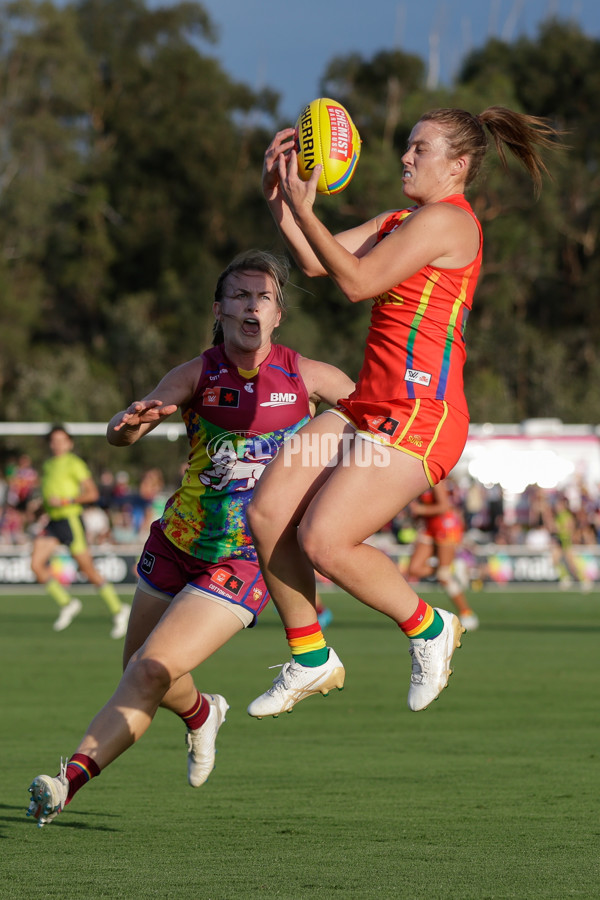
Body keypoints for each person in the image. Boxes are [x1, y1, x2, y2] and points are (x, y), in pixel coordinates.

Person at [246, 105, 561, 717]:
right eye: (408, 147)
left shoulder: (449, 222)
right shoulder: (401, 218)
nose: (405, 157)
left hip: (422, 414)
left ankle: (429, 626)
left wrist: (305, 208)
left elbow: (358, 282)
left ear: (458, 166)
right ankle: (311, 659)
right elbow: (316, 260)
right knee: (266, 508)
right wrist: (281, 197)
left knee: (325, 540)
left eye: (421, 148)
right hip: (370, 405)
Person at [26, 250, 354, 827]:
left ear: (278, 315)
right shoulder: (198, 372)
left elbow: (379, 424)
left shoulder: (307, 376)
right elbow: (125, 429)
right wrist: (125, 426)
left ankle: (65, 781)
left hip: (245, 558)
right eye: (241, 296)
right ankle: (203, 713)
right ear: (220, 309)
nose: (253, 305)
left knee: (149, 670)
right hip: (175, 542)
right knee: (140, 669)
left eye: (266, 297)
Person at [30, 426, 131, 638]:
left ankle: (118, 609)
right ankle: (67, 603)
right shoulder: (48, 465)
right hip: (53, 521)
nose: (57, 444)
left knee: (87, 569)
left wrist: (66, 500)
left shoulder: (74, 464)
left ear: (69, 443)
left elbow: (92, 493)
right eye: (54, 440)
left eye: (62, 440)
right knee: (36, 565)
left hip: (70, 520)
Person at [407, 481, 479, 631]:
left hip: (445, 526)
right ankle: (452, 569)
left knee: (443, 575)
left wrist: (420, 509)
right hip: (429, 526)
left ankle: (467, 613)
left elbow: (444, 506)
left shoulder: (435, 480)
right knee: (415, 569)